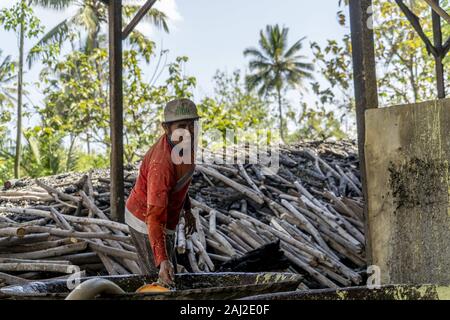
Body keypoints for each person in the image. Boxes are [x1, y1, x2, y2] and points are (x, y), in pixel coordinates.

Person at [125, 98, 199, 287]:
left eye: (192, 124)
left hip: (163, 216)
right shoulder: (162, 163)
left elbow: (180, 183)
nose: (188, 130)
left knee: (170, 275)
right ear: (166, 128)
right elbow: (154, 217)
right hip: (146, 219)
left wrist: (187, 210)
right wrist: (161, 261)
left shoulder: (184, 145)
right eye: (182, 125)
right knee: (160, 280)